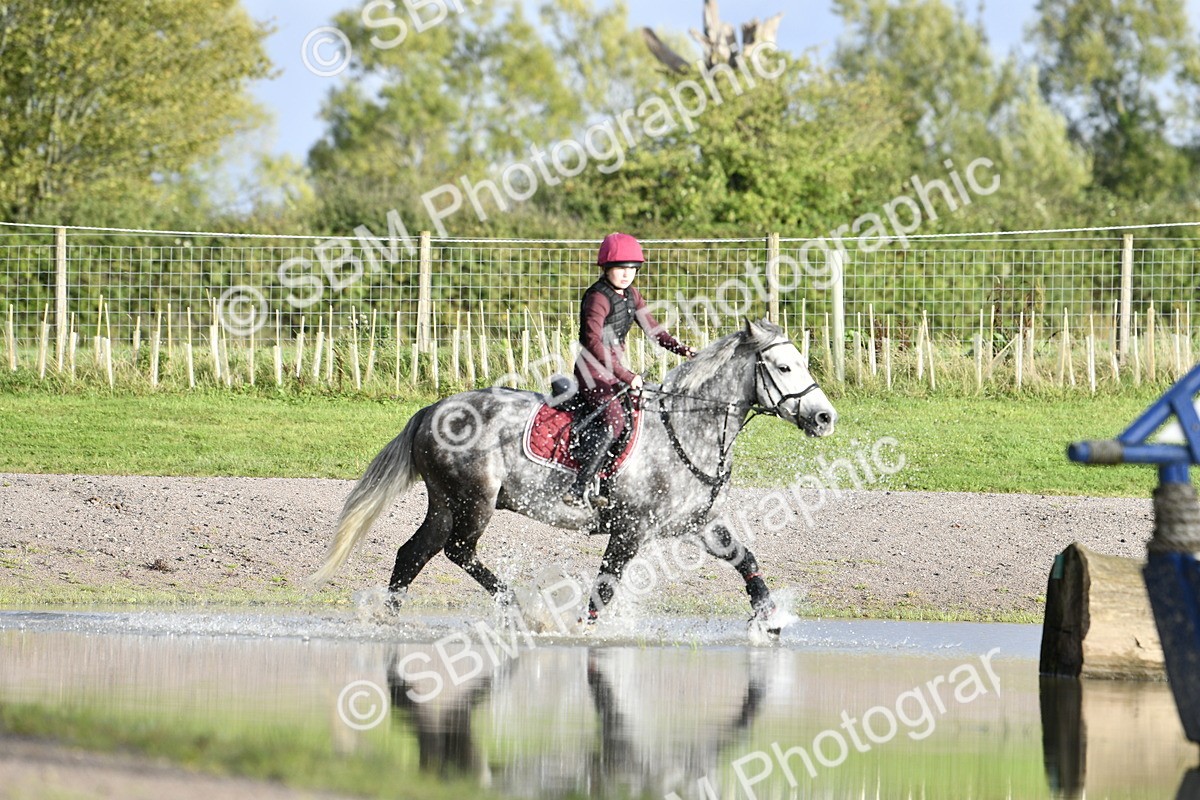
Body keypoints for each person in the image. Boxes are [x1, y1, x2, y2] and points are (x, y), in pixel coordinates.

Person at [563, 232, 696, 509]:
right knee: (615, 421)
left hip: (616, 370)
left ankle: (611, 480)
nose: (626, 274)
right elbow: (592, 342)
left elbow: (654, 330)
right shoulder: (597, 297)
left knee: (637, 418)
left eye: (632, 269)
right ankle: (579, 487)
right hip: (593, 372)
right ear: (606, 268)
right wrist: (626, 376)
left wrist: (683, 350)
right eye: (620, 268)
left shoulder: (632, 295)